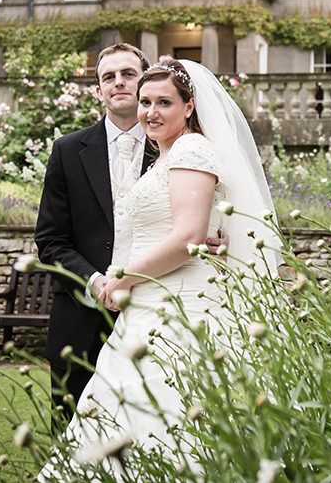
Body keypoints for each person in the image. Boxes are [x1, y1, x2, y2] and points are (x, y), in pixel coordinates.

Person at [39, 59, 281, 480]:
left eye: (164, 102)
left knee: (171, 413)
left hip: (178, 308)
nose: (150, 111)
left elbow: (187, 236)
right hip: (147, 305)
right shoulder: (163, 153)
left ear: (189, 106)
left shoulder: (191, 148)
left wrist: (123, 278)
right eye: (146, 102)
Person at [34, 44, 225, 421]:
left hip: (166, 306)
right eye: (108, 77)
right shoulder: (67, 151)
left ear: (142, 80)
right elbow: (51, 239)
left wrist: (220, 231)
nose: (118, 83)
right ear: (99, 90)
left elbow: (202, 213)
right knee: (78, 426)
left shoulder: (177, 144)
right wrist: (96, 282)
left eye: (128, 74)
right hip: (82, 314)